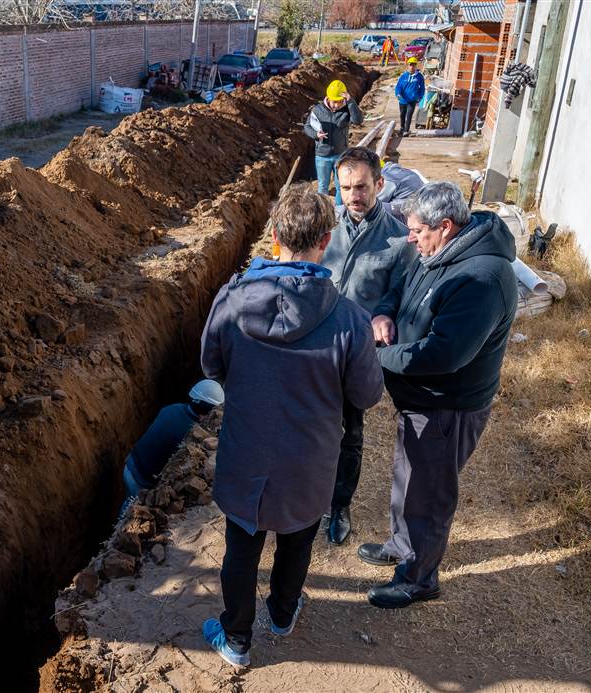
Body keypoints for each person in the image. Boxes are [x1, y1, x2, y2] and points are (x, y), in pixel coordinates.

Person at [199, 184, 383, 667]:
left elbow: (211, 365)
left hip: (246, 454)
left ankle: (236, 639)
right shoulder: (349, 318)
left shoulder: (232, 299)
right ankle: (282, 613)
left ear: (275, 235)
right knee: (297, 542)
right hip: (310, 461)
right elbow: (366, 395)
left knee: (241, 549)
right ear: (327, 240)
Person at [360, 182, 517, 608]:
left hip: (446, 405)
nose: (410, 238)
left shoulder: (481, 279)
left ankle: (418, 578)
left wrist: (380, 357)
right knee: (407, 476)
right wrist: (383, 314)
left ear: (445, 226)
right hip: (418, 399)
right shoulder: (437, 251)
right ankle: (400, 545)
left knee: (429, 493)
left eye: (417, 231)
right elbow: (400, 284)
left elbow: (445, 354)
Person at [320, 147, 415, 546]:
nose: (353, 196)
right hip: (315, 346)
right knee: (308, 427)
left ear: (379, 184)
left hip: (357, 352)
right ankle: (307, 498)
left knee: (349, 434)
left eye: (361, 187)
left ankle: (339, 506)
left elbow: (398, 293)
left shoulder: (397, 240)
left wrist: (384, 315)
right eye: (345, 188)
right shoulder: (325, 227)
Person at [121, 379, 224, 513]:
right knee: (131, 510)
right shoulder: (189, 431)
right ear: (208, 409)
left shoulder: (171, 408)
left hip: (130, 466)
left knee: (126, 503)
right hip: (141, 480)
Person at [303, 80, 363, 205]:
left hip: (340, 155)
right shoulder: (317, 110)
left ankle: (339, 213)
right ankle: (323, 215)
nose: (337, 105)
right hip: (322, 156)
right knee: (322, 187)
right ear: (328, 98)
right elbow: (307, 127)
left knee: (341, 186)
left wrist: (350, 101)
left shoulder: (347, 109)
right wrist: (316, 134)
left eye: (340, 102)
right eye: (334, 102)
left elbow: (357, 120)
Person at [396, 57, 425, 136]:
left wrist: (420, 97)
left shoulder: (419, 76)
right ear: (408, 65)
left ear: (416, 66)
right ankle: (402, 128)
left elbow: (422, 88)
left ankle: (406, 130)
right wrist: (398, 94)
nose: (412, 67)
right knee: (402, 114)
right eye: (410, 65)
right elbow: (398, 87)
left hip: (412, 100)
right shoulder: (403, 76)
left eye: (414, 65)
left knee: (409, 115)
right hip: (403, 99)